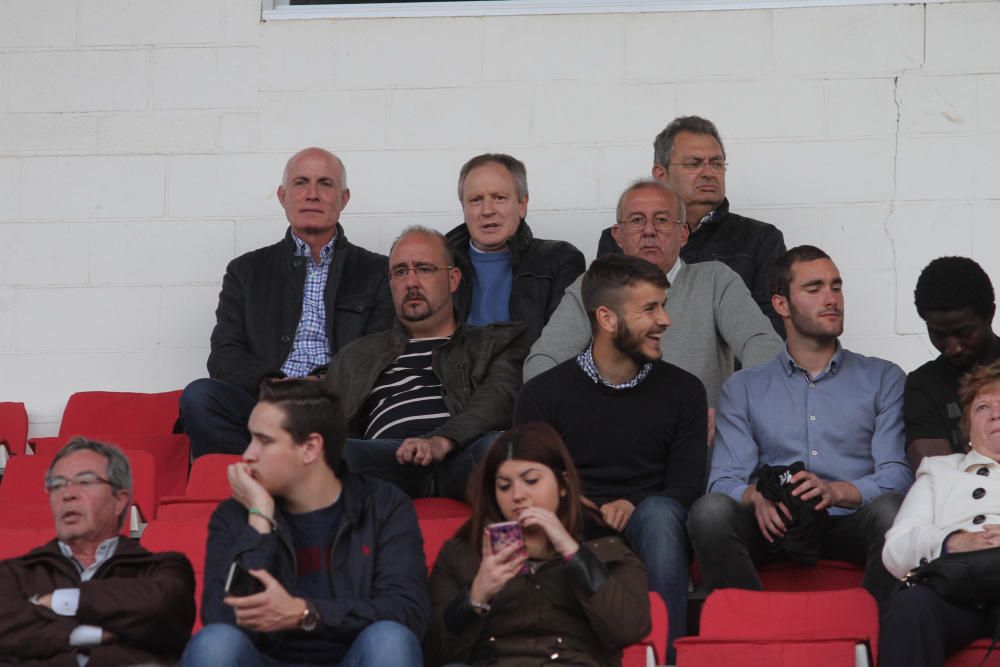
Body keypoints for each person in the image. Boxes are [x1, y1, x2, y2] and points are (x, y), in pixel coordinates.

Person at [688, 245, 913, 614]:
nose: (831, 299)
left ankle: (871, 639)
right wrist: (757, 498)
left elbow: (896, 476)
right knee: (710, 512)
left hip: (848, 522)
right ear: (781, 305)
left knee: (892, 511)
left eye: (836, 287)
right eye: (814, 289)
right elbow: (723, 480)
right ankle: (751, 636)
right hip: (774, 522)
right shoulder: (744, 387)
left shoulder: (883, 377)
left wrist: (838, 490)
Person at [515, 253, 707, 663]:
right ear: (607, 319)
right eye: (650, 309)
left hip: (652, 519)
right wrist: (574, 503)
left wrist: (632, 503)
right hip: (572, 518)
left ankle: (662, 658)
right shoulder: (543, 394)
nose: (666, 320)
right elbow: (528, 478)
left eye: (664, 306)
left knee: (658, 515)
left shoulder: (685, 391)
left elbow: (687, 484)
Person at [182, 379, 427, 667]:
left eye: (264, 440)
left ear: (310, 448)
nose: (247, 454)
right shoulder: (236, 513)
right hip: (264, 660)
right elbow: (220, 620)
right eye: (250, 439)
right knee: (215, 644)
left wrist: (306, 613)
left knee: (391, 640)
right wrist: (260, 519)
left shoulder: (383, 506)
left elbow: (406, 612)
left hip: (354, 658)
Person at [180, 147, 394, 458]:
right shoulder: (245, 271)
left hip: (339, 409)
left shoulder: (377, 271)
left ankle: (277, 470)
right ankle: (292, 469)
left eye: (325, 183)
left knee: (371, 438)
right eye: (300, 183)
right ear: (282, 196)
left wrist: (322, 382)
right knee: (199, 397)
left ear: (343, 198)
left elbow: (379, 351)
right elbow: (224, 355)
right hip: (263, 405)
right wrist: (272, 384)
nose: (312, 194)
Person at [525, 179, 781, 420]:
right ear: (618, 235)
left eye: (662, 220)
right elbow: (544, 361)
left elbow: (762, 344)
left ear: (683, 234)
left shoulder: (715, 280)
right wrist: (580, 418)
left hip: (700, 439)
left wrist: (733, 410)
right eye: (636, 220)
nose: (649, 231)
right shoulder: (591, 286)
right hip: (610, 440)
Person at [325, 226, 529, 501]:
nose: (411, 282)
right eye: (400, 271)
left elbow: (498, 399)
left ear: (453, 279)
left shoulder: (492, 342)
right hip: (385, 458)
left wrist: (441, 440)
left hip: (464, 452)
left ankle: (511, 545)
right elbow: (326, 418)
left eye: (423, 269)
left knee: (502, 451)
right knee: (328, 455)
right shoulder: (356, 355)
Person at [427, 422, 651, 667]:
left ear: (563, 485)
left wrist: (574, 554)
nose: (517, 495)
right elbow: (434, 654)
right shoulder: (462, 553)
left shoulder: (605, 547)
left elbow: (629, 630)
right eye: (504, 486)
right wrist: (475, 596)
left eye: (531, 480)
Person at [0, 437, 195, 665]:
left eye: (84, 482)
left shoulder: (162, 568)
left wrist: (59, 601)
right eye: (57, 484)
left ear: (119, 501)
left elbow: (162, 607)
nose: (67, 494)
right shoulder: (14, 574)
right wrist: (92, 634)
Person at [597, 115, 786, 333]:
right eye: (694, 164)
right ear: (661, 174)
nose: (708, 173)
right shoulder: (620, 238)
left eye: (716, 163)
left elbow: (774, 328)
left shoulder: (760, 239)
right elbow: (605, 323)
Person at [880, 360, 1000, 665]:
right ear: (968, 429)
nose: (996, 413)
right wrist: (951, 542)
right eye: (983, 407)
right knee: (911, 604)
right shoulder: (940, 470)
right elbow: (897, 547)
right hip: (956, 588)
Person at [446, 153, 585, 344]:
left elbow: (562, 346)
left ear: (522, 204)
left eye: (499, 198)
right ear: (463, 207)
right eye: (476, 200)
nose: (487, 210)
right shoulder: (437, 266)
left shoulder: (560, 259)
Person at [905, 256, 1000, 469]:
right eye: (938, 334)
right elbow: (938, 475)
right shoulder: (924, 385)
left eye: (963, 332)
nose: (953, 348)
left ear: (990, 315)